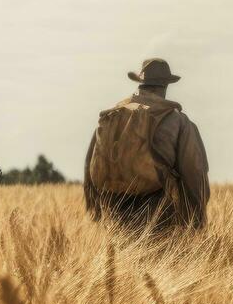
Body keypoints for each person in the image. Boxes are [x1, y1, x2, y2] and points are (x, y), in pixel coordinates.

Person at [84, 58, 210, 233]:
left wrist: (95, 211)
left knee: (122, 259)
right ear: (165, 86)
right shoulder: (177, 121)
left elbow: (90, 164)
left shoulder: (111, 116)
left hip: (112, 210)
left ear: (140, 84)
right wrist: (196, 221)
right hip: (157, 212)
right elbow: (195, 172)